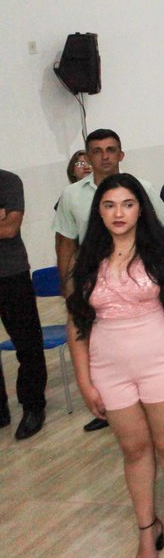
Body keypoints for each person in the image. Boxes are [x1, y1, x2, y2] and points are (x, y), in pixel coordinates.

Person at [66, 174, 164, 558]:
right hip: (109, 370)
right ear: (98, 212)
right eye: (109, 205)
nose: (118, 213)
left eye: (127, 204)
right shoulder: (85, 260)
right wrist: (84, 381)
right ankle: (146, 527)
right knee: (135, 450)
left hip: (162, 361)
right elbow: (76, 324)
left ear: (141, 208)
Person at [54, 129, 164, 434]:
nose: (104, 156)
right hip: (96, 285)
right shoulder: (71, 196)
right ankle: (113, 401)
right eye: (97, 151)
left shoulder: (143, 188)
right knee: (102, 349)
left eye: (110, 150)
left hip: (143, 284)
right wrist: (68, 286)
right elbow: (65, 242)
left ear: (121, 154)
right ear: (87, 157)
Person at [0, 167, 47, 440]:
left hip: (11, 275)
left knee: (28, 345)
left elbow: (9, 228)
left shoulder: (8, 181)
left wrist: (5, 220)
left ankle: (33, 406)